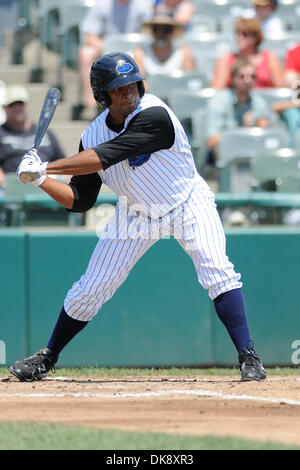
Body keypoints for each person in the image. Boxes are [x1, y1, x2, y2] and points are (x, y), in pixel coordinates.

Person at [10, 52, 266, 383]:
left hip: (188, 202)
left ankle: (248, 355)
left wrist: (46, 165)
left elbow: (108, 155)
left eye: (133, 83)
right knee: (91, 288)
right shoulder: (91, 135)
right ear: (102, 93)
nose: (129, 91)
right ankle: (47, 356)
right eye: (119, 87)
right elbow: (79, 201)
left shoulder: (155, 114)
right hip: (135, 213)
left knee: (218, 271)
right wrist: (41, 181)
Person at [78, 0, 153, 113]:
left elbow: (150, 35)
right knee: (86, 53)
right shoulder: (101, 5)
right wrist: (110, 52)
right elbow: (90, 36)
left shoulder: (144, 6)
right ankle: (93, 104)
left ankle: (141, 101)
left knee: (140, 54)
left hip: (135, 52)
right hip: (105, 52)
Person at [206, 57, 276, 166]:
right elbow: (211, 141)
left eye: (252, 77)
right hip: (227, 160)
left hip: (254, 158)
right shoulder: (219, 101)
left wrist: (263, 128)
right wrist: (243, 131)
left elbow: (271, 137)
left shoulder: (259, 102)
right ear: (233, 78)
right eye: (242, 76)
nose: (247, 80)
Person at [0, 85, 65, 189]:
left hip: (47, 186)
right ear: (4, 107)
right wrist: (9, 186)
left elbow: (63, 163)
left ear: (27, 105)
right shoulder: (1, 133)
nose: (17, 108)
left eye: (20, 103)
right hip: (12, 190)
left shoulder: (45, 133)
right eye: (12, 105)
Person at [211, 17, 285, 89]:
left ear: (256, 37)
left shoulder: (269, 57)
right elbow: (217, 90)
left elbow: (280, 88)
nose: (240, 37)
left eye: (245, 34)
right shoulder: (226, 59)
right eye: (237, 33)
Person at [133, 13, 195, 80]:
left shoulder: (184, 52)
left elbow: (189, 80)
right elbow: (139, 83)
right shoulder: (140, 52)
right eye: (156, 29)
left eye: (166, 29)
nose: (161, 34)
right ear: (151, 31)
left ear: (173, 32)